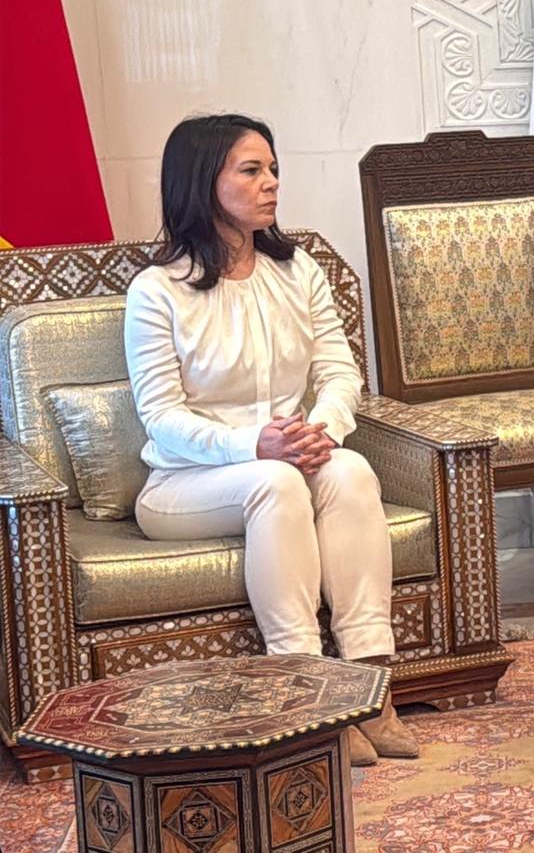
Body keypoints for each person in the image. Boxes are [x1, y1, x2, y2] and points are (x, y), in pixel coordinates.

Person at [124, 114, 416, 765]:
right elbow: (162, 418)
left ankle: (372, 691)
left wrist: (322, 431)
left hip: (286, 458)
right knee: (278, 481)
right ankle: (309, 696)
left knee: (350, 472)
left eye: (274, 168)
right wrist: (258, 445)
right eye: (251, 170)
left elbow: (341, 373)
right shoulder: (155, 292)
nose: (271, 184)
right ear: (203, 183)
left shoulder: (298, 270)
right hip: (182, 482)